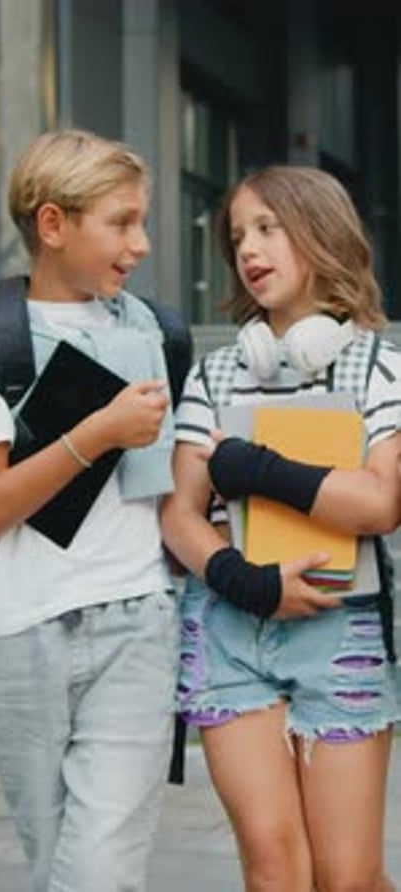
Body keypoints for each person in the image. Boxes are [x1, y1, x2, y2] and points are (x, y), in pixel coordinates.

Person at [0, 129, 180, 892]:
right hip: (25, 630)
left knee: (99, 872)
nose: (140, 243)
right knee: (57, 869)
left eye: (142, 221)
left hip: (139, 624)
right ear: (52, 224)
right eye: (121, 221)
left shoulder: (154, 331)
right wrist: (96, 432)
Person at [161, 165, 401, 892]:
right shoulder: (215, 374)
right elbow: (179, 511)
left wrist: (254, 466)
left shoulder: (378, 365)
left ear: (321, 233)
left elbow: (381, 502)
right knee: (273, 866)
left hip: (343, 628)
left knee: (347, 877)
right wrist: (250, 583)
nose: (248, 249)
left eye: (268, 227)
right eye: (237, 235)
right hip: (231, 627)